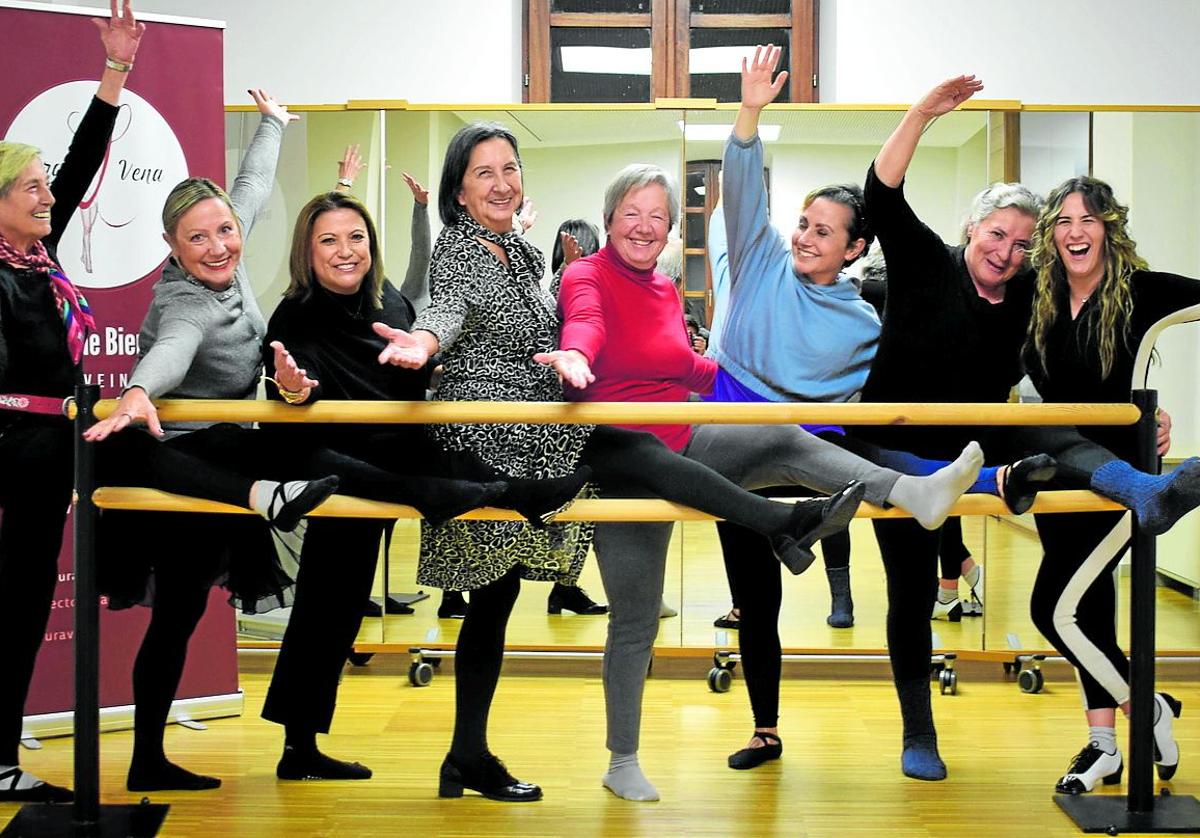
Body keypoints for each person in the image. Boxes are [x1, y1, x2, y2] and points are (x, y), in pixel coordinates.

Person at [372, 121, 871, 803]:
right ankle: (779, 523)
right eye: (484, 172)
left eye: (510, 168)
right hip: (494, 441)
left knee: (497, 603)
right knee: (501, 594)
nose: (501, 182)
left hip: (542, 433)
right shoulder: (461, 254)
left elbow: (605, 333)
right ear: (458, 189)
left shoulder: (517, 252)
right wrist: (425, 340)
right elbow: (451, 308)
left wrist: (712, 368)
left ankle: (467, 756)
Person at [546, 156, 1001, 801]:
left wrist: (747, 397)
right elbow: (585, 320)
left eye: (658, 217)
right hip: (623, 465)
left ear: (673, 228)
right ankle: (622, 761)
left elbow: (691, 372)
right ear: (609, 219)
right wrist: (575, 352)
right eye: (631, 215)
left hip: (689, 442)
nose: (644, 228)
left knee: (783, 437)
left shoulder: (666, 290)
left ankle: (914, 494)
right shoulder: (586, 274)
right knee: (636, 619)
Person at [862, 72, 1200, 782]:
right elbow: (881, 194)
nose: (1006, 252)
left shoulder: (1027, 295)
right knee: (912, 595)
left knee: (1043, 426)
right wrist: (923, 113)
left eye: (1021, 243)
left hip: (980, 445)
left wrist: (1141, 414)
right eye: (996, 235)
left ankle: (1142, 488)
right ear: (970, 231)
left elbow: (1075, 370)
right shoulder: (926, 263)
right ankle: (918, 733)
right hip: (896, 451)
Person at [259, 190, 604, 783]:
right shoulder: (296, 313)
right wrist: (292, 388)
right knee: (328, 606)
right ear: (306, 254)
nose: (346, 252)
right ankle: (298, 747)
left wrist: (442, 365)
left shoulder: (384, 298)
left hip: (399, 450)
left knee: (345, 600)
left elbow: (408, 362)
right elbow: (295, 386)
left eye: (356, 238)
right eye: (329, 241)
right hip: (345, 469)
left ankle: (504, 492)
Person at [0, 0, 142, 803]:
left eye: (44, 187)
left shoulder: (36, 258)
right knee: (10, 607)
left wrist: (115, 70)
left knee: (21, 605)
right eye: (29, 189)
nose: (47, 196)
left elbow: (82, 162)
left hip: (51, 455)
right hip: (17, 455)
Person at [1024, 176, 1200, 794]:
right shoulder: (1036, 296)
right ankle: (1103, 746)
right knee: (1090, 610)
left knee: (1053, 610)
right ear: (1051, 235)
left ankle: (1144, 707)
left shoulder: (1140, 293)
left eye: (1089, 220)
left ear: (1108, 229)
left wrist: (1153, 410)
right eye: (1065, 221)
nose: (1076, 231)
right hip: (1056, 478)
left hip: (1119, 483)